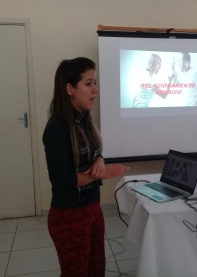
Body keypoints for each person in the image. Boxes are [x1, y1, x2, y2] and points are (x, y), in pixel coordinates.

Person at [43, 57, 128, 277]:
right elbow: (62, 180)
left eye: (95, 83)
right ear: (70, 88)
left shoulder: (83, 120)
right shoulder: (56, 128)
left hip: (92, 209)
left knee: (96, 269)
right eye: (89, 84)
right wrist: (100, 174)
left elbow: (96, 152)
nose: (96, 90)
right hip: (70, 217)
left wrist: (100, 161)